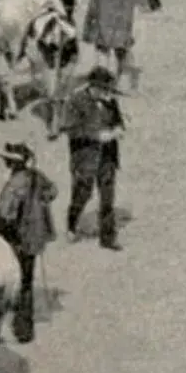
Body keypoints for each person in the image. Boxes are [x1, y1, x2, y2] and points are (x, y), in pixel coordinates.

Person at [0, 141, 57, 344]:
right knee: (27, 282)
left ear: (12, 163)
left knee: (10, 281)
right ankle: (25, 329)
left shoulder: (14, 185)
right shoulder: (37, 176)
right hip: (34, 237)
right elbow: (52, 192)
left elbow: (6, 215)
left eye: (7, 160)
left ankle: (12, 326)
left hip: (16, 239)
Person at [58, 67, 124, 251]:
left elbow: (118, 121)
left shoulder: (111, 101)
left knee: (107, 198)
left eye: (108, 89)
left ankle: (108, 238)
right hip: (84, 158)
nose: (107, 93)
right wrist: (96, 135)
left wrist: (118, 128)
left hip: (108, 156)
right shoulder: (75, 101)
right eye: (104, 89)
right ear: (93, 86)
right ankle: (72, 223)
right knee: (82, 194)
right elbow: (69, 129)